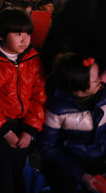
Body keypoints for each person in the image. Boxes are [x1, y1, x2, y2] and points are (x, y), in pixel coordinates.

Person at [0, 8, 47, 193]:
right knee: (3, 180)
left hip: (23, 127)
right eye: (18, 33)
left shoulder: (33, 59)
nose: (25, 39)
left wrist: (29, 130)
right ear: (1, 35)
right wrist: (5, 131)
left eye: (28, 33)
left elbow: (39, 96)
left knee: (20, 176)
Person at [36, 53, 106, 193]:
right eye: (96, 77)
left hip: (99, 159)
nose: (101, 79)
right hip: (67, 163)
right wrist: (81, 176)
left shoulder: (103, 96)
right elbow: (48, 148)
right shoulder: (57, 108)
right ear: (80, 84)